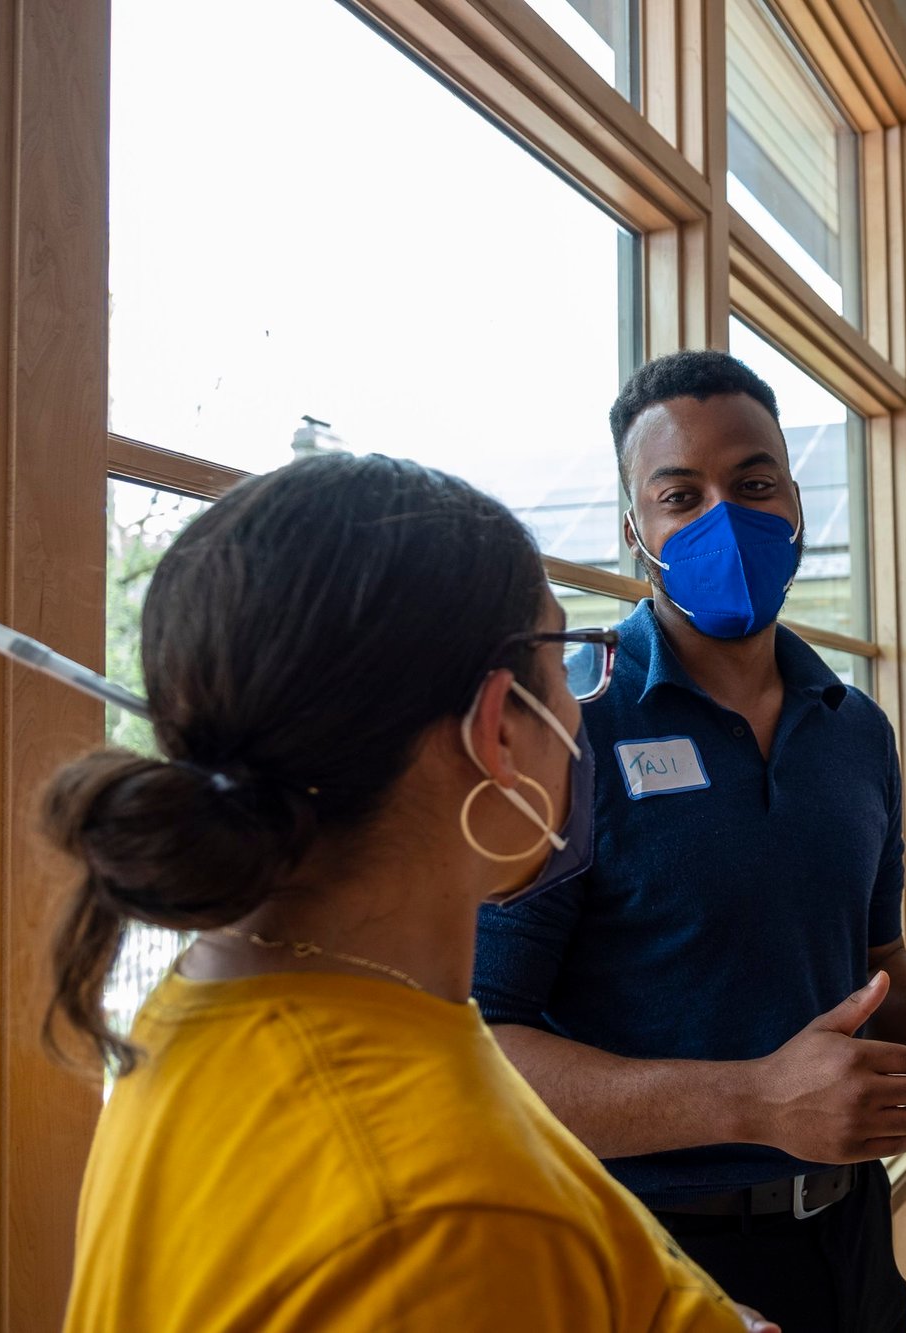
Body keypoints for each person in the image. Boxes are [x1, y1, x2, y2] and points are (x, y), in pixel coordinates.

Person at [49, 455, 757, 1332]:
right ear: (498, 729)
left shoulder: (221, 1002)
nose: (582, 708)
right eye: (563, 657)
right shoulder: (441, 1219)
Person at [473, 351, 906, 1333]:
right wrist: (750, 1103)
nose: (723, 518)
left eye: (754, 483)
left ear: (796, 503)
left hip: (851, 1236)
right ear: (634, 528)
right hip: (648, 1251)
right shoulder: (573, 726)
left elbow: (875, 966)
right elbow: (483, 1048)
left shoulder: (855, 729)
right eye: (680, 496)